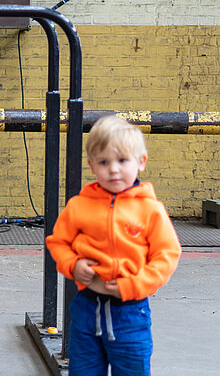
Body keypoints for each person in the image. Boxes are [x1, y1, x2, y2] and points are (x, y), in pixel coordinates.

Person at [46, 115, 181, 375]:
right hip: (86, 308)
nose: (114, 169)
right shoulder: (79, 206)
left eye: (122, 160)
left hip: (130, 313)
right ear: (91, 165)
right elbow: (58, 242)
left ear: (141, 162)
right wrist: (73, 265)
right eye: (104, 162)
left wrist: (133, 285)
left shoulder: (150, 210)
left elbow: (166, 255)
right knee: (83, 370)